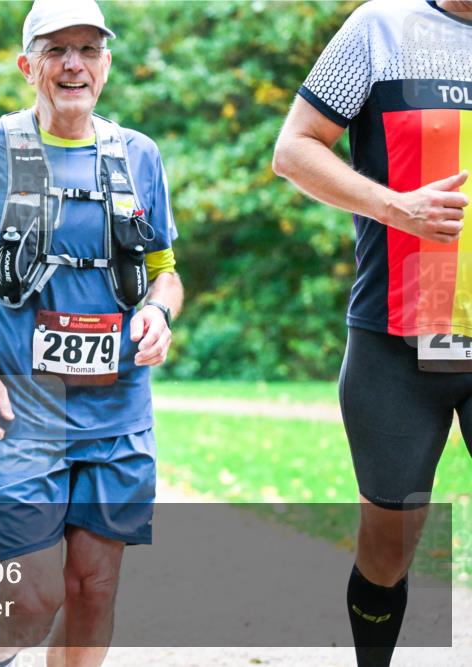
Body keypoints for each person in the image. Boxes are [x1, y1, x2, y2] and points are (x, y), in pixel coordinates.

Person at [0, 1, 183, 665]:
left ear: (106, 65)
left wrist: (159, 312)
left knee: (94, 588)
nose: (73, 64)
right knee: (34, 595)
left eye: (88, 50)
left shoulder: (138, 155)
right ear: (27, 66)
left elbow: (166, 274)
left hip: (117, 412)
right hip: (23, 411)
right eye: (56, 50)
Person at [272, 1, 472, 665]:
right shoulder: (379, 28)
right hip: (398, 342)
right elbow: (294, 149)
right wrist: (396, 207)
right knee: (387, 551)